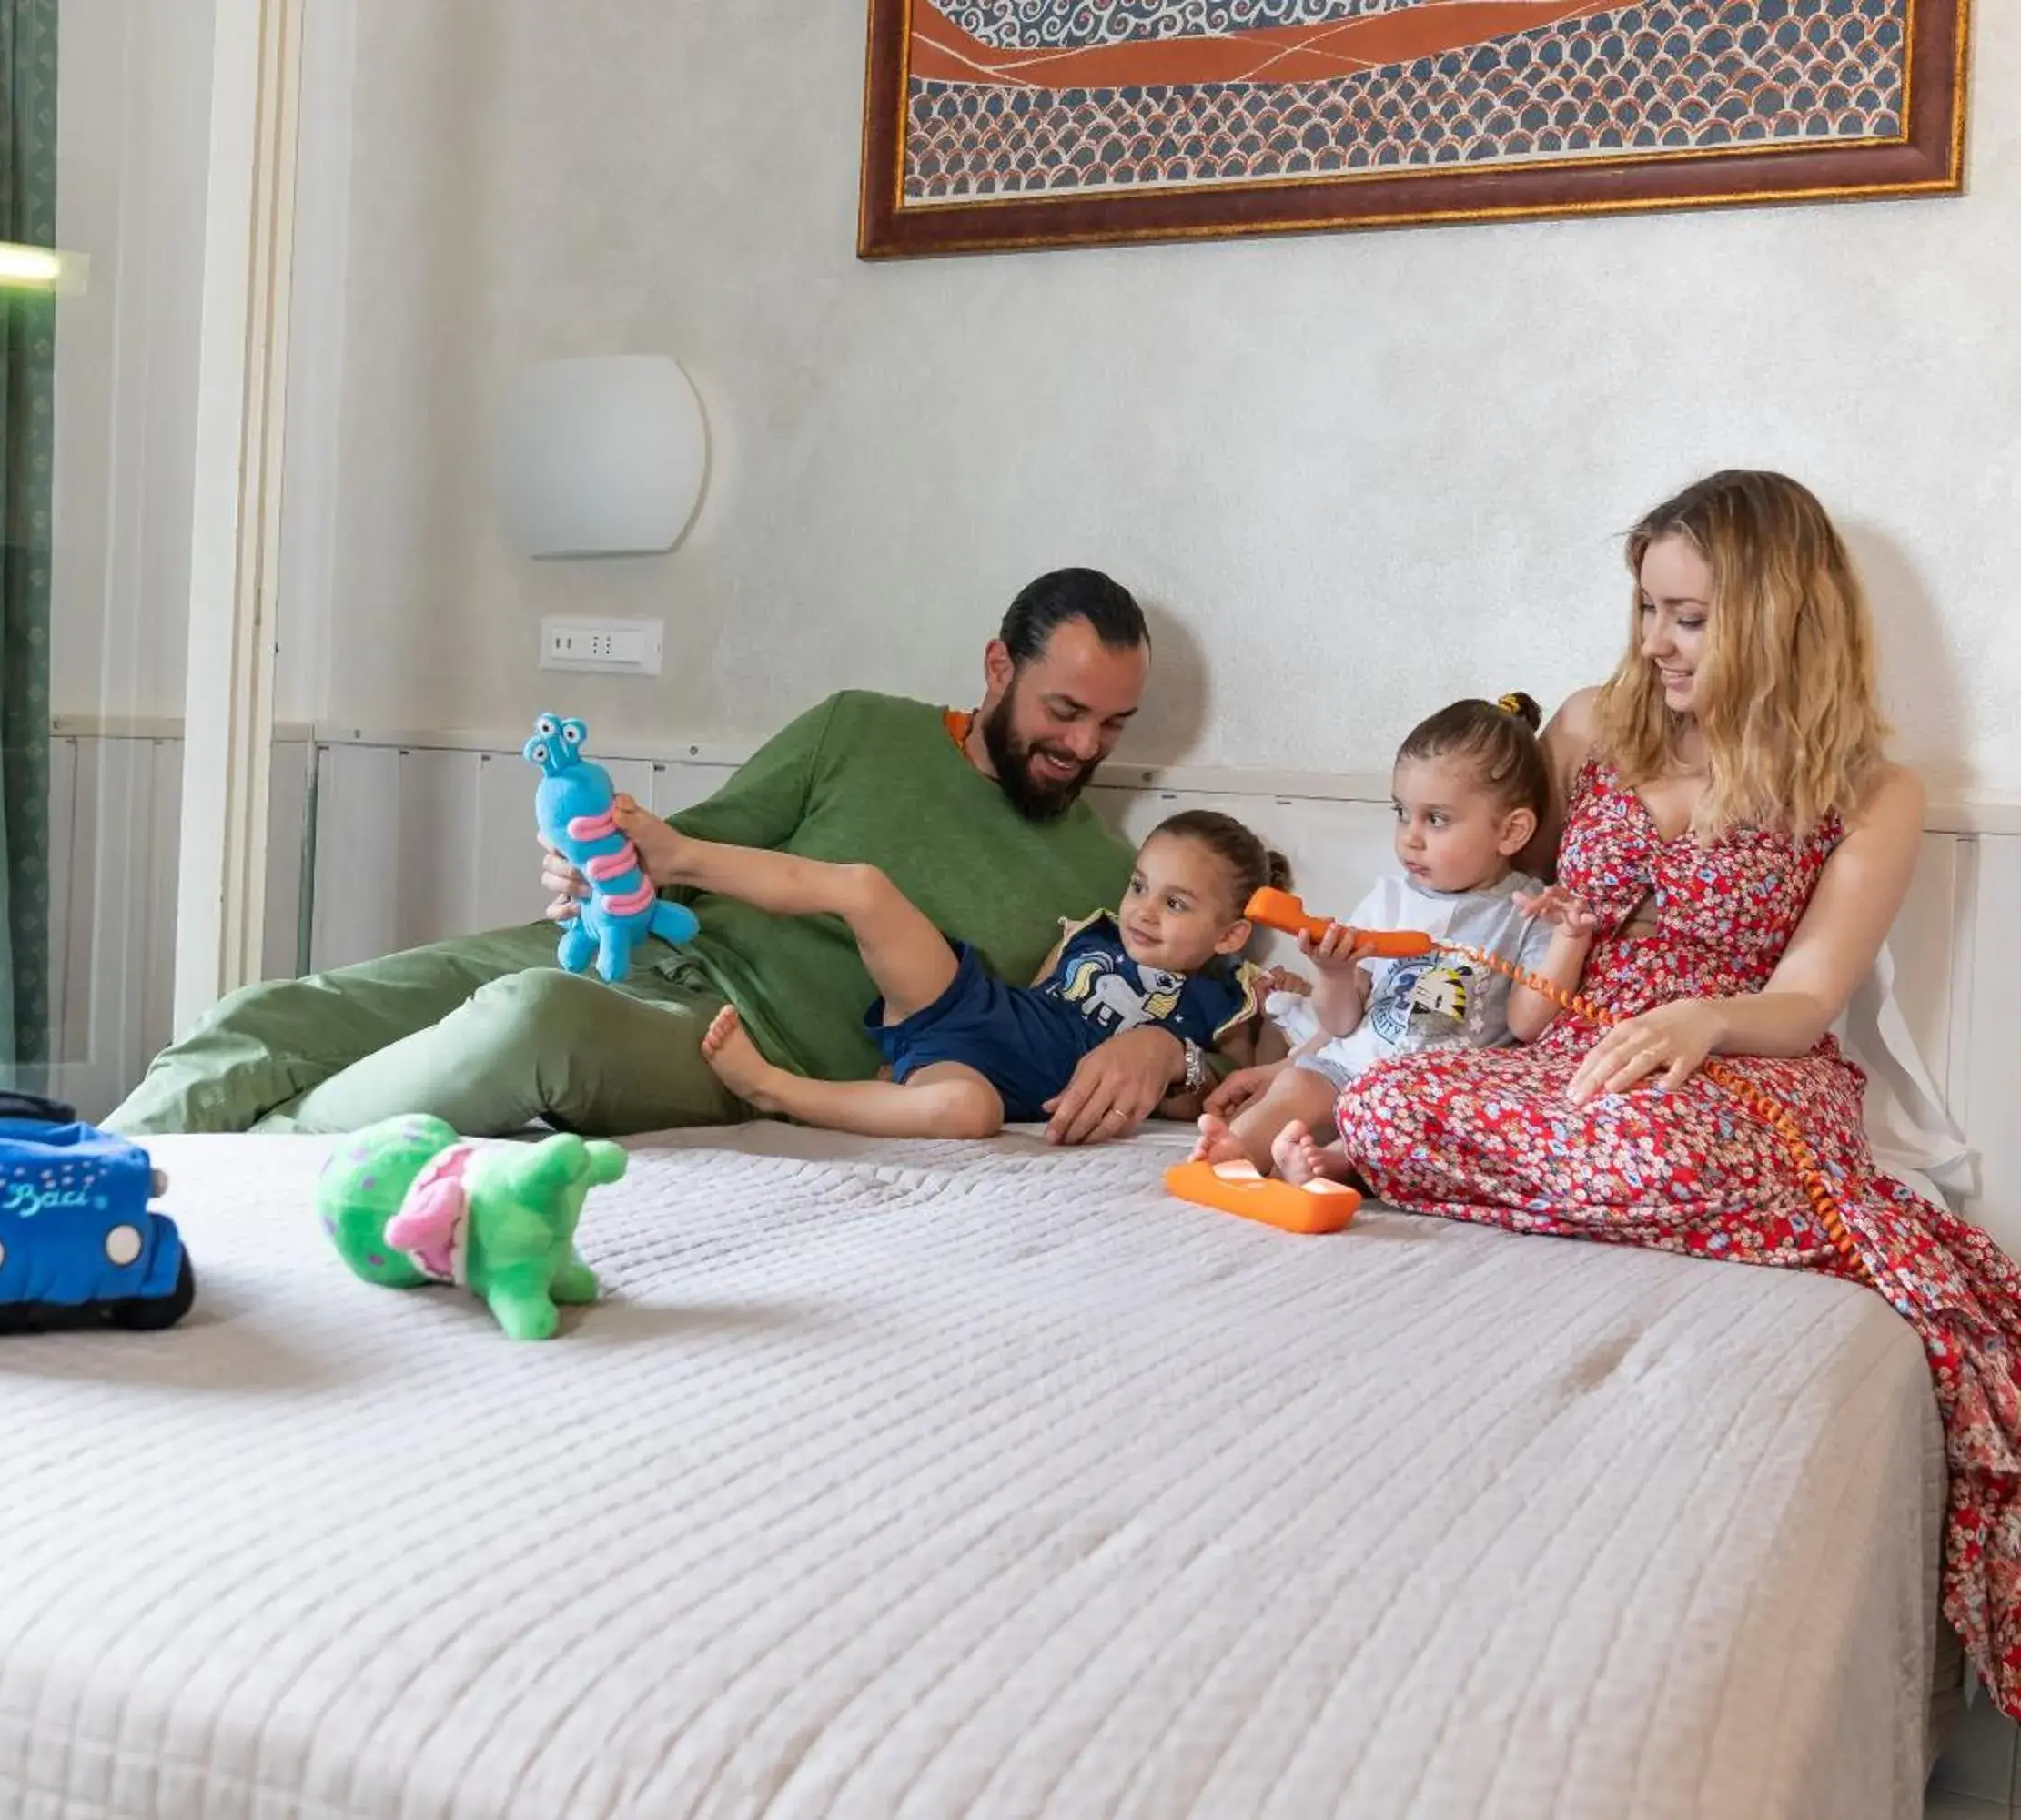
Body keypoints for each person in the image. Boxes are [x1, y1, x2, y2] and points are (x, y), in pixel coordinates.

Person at [1326, 470, 2021, 1716]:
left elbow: (1809, 996)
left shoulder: (1869, 790)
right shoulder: (1596, 725)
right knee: (1384, 1105)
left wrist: (1705, 1018)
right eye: (1649, 606)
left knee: (1656, 1150)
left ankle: (1542, 1187)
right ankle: (1513, 1173)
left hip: (1741, 1062)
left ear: (1778, 611)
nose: (1655, 639)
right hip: (1570, 1045)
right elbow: (1497, 891)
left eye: (1688, 614)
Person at [105, 568, 1221, 1144]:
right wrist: (601, 862)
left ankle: (255, 1173)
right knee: (275, 1011)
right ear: (995, 668)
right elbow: (702, 844)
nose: (1083, 747)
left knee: (527, 1020)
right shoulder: (858, 728)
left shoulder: (1106, 878)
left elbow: (1223, 1004)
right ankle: (97, 1169)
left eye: (1112, 725)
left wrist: (1170, 1054)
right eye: (1065, 710)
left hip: (730, 1043)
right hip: (636, 945)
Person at [606, 801, 1283, 1139]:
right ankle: (677, 857)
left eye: (1176, 903)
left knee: (968, 1113)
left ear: (1230, 933)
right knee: (866, 888)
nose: (1143, 912)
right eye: (1139, 886)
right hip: (975, 1010)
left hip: (988, 1079)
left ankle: (777, 1090)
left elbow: (1227, 1093)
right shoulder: (1093, 933)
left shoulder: (1221, 1000)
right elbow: (1036, 993)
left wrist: (1182, 1064)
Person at [1190, 693, 1604, 1183]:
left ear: (1511, 832)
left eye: (1436, 819)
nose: (1409, 836)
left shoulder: (1526, 912)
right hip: (1350, 1064)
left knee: (1408, 1127)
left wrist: (1570, 940)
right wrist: (1334, 973)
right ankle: (1237, 1147)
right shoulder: (1387, 901)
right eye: (1401, 812)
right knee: (1297, 1084)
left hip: (1428, 1091)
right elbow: (1341, 1024)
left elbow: (1527, 1021)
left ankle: (1333, 1166)